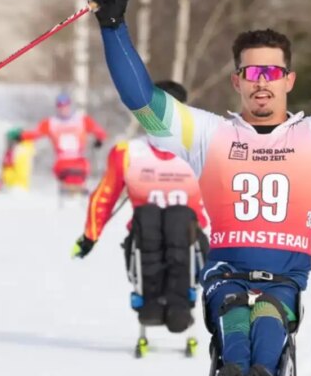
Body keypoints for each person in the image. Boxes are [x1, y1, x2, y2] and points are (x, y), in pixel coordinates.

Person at [87, 0, 311, 376]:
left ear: (288, 80)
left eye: (271, 72)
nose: (261, 82)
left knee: (267, 340)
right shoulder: (207, 134)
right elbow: (144, 101)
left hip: (283, 281)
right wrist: (113, 26)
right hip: (226, 276)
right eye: (251, 72)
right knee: (235, 345)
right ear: (237, 81)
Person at [72, 80, 209, 333]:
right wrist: (90, 236)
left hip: (189, 237)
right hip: (145, 235)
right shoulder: (129, 153)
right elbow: (104, 196)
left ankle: (180, 301)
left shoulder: (202, 149)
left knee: (178, 218)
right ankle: (152, 300)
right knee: (149, 216)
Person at [21, 92, 108, 190]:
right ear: (57, 108)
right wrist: (20, 136)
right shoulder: (51, 123)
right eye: (60, 107)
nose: (63, 109)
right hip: (62, 162)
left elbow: (98, 130)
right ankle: (67, 195)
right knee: (68, 182)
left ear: (70, 106)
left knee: (79, 179)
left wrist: (99, 140)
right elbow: (35, 134)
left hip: (79, 160)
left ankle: (80, 195)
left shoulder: (81, 120)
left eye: (65, 106)